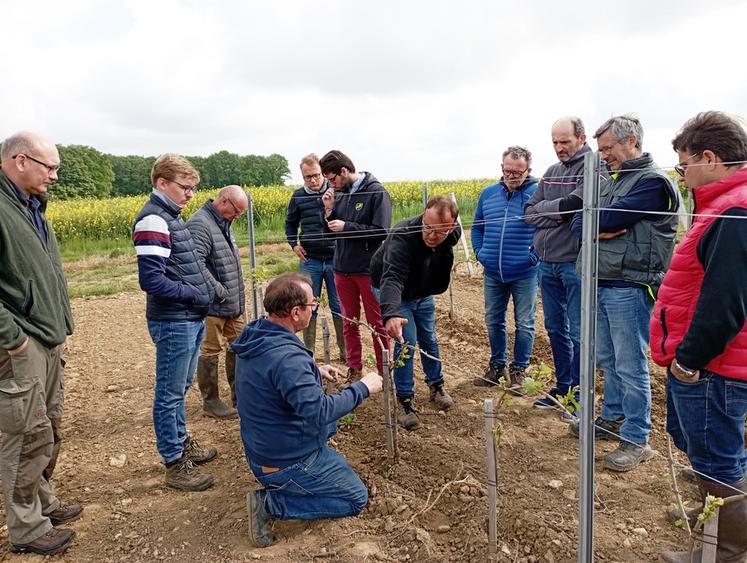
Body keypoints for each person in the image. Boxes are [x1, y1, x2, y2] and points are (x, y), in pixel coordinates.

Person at [650, 112, 747, 563]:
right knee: (704, 447)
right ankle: (715, 515)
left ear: (709, 158)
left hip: (714, 364)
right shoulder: (722, 205)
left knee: (719, 458)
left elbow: (723, 303)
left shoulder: (733, 211)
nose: (682, 174)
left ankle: (724, 550)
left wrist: (690, 360)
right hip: (714, 361)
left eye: (683, 164)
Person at [233, 272, 383, 548]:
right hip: (286, 460)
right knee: (355, 498)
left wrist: (312, 369)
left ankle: (289, 481)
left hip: (265, 447)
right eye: (312, 305)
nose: (315, 309)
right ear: (295, 312)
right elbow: (320, 412)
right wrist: (363, 387)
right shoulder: (288, 359)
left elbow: (274, 374)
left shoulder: (257, 334)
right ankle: (272, 504)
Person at [569, 115, 679, 472]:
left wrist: (600, 224)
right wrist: (597, 225)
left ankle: (636, 438)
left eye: (608, 149)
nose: (603, 157)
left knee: (630, 364)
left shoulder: (653, 184)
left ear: (631, 141)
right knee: (606, 357)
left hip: (628, 285)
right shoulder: (613, 180)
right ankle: (612, 417)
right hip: (601, 281)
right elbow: (578, 220)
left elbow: (604, 220)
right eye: (600, 150)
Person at [0, 132, 82, 555]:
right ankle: (27, 528)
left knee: (48, 424)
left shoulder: (32, 207)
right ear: (19, 161)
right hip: (22, 343)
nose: (54, 176)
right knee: (26, 433)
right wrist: (13, 340)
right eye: (49, 167)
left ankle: (43, 500)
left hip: (48, 337)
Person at [132, 154, 218, 492]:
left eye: (194, 189)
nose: (190, 195)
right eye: (185, 187)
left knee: (180, 389)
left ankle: (182, 442)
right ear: (161, 183)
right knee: (169, 394)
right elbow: (151, 280)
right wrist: (194, 295)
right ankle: (174, 461)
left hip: (188, 318)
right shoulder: (153, 220)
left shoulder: (171, 217)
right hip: (174, 321)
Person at [370, 196, 461, 430]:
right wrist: (390, 313)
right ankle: (405, 401)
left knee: (429, 337)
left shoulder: (452, 234)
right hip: (393, 290)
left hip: (422, 290)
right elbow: (392, 278)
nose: (431, 236)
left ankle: (436, 385)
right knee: (406, 341)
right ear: (423, 215)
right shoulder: (403, 236)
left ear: (451, 227)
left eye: (439, 232)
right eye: (427, 227)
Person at [524, 117, 591, 411]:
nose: (559, 148)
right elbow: (529, 213)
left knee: (579, 330)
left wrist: (552, 212)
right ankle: (563, 388)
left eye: (565, 141)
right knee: (554, 328)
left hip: (574, 263)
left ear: (582, 138)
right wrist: (559, 214)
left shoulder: (593, 166)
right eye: (555, 142)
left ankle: (579, 394)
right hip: (546, 262)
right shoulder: (551, 172)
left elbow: (576, 204)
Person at [471, 146, 539, 391]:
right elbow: (477, 227)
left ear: (528, 170)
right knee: (493, 320)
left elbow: (546, 230)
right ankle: (497, 367)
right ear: (502, 168)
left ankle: (519, 369)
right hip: (493, 272)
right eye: (508, 171)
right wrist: (481, 253)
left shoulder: (538, 193)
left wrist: (534, 257)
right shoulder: (488, 194)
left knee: (525, 322)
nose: (512, 176)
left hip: (525, 273)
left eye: (517, 172)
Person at [320, 150, 391, 379]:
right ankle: (355, 368)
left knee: (377, 323)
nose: (331, 184)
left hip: (368, 269)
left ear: (344, 171)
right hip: (342, 269)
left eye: (332, 179)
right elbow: (331, 234)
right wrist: (329, 212)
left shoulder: (376, 192)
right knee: (349, 321)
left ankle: (384, 371)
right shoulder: (339, 194)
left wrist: (347, 227)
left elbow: (381, 231)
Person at [186, 185, 248, 419]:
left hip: (232, 305)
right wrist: (219, 291)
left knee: (241, 346)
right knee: (210, 350)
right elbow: (195, 265)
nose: (238, 216)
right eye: (237, 211)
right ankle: (210, 402)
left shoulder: (224, 223)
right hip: (213, 305)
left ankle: (240, 396)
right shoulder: (200, 224)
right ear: (224, 201)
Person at [284, 153, 345, 361]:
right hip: (311, 260)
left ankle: (345, 353)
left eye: (316, 175)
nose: (313, 180)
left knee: (339, 306)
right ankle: (308, 352)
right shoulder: (298, 196)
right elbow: (290, 223)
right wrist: (294, 245)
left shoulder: (336, 191)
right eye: (308, 177)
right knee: (307, 305)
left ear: (322, 173)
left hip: (337, 258)